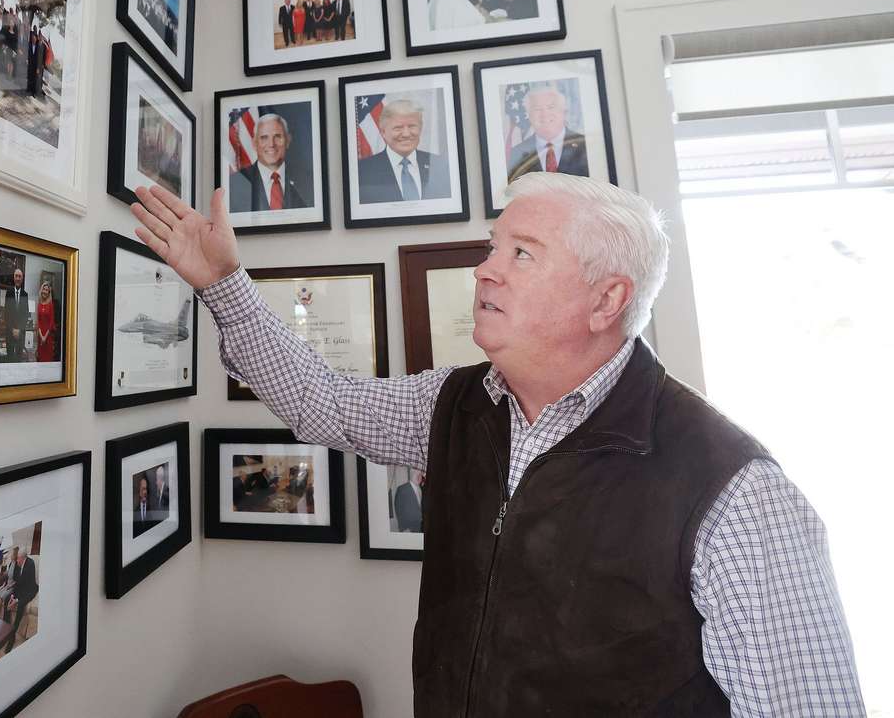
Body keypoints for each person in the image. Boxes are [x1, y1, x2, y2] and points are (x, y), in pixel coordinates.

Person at [126, 175, 865, 716]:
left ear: (608, 300)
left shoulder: (735, 490)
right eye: (494, 246)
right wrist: (224, 283)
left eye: (523, 253)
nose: (485, 267)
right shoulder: (454, 404)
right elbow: (324, 403)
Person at [356, 99, 451, 203]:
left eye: (412, 126)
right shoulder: (363, 172)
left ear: (420, 128)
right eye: (398, 128)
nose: (406, 134)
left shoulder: (441, 166)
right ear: (383, 132)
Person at [228, 113, 311, 213]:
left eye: (277, 136)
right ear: (254, 143)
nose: (271, 144)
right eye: (264, 137)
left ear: (288, 140)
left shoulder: (307, 180)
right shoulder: (234, 184)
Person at [507, 86, 589, 180]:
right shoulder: (516, 153)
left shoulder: (586, 146)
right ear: (529, 115)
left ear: (564, 112)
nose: (544, 114)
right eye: (537, 109)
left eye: (551, 107)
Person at [5, 548, 38, 652]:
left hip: (30, 590)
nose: (16, 560)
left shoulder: (30, 565)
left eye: (18, 559)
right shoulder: (18, 564)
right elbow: (17, 582)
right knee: (6, 599)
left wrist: (17, 600)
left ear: (24, 558)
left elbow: (27, 586)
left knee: (20, 606)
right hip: (21, 588)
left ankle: (12, 637)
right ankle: (6, 629)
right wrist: (12, 596)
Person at [4, 267, 28, 363]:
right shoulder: (8, 293)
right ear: (13, 278)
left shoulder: (25, 294)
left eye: (20, 276)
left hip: (21, 332)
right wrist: (13, 329)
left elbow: (25, 314)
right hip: (10, 330)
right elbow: (6, 313)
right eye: (16, 276)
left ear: (22, 279)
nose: (18, 278)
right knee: (10, 357)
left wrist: (19, 329)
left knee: (19, 357)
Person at [35, 279, 58, 363]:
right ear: (41, 290)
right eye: (44, 289)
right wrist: (41, 336)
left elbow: (51, 322)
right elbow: (38, 321)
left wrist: (45, 337)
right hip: (40, 336)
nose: (45, 291)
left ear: (49, 293)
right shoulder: (39, 304)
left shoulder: (51, 305)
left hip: (48, 336)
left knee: (48, 359)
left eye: (47, 290)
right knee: (40, 358)